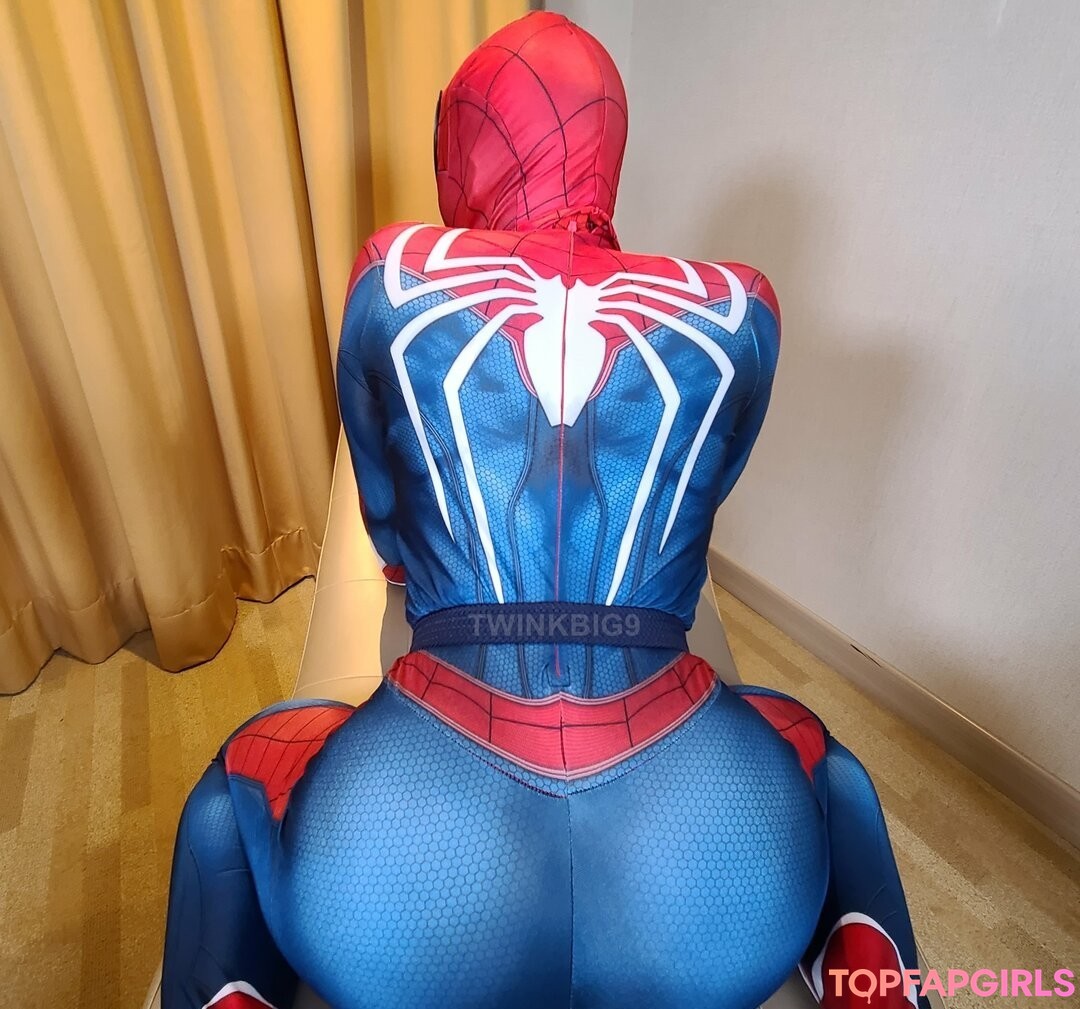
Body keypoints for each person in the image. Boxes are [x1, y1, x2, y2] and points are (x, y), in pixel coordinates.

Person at [161, 13, 929, 1009]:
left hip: (403, 898)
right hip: (713, 897)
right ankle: (883, 987)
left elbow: (388, 521)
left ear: (471, 143)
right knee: (828, 764)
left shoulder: (394, 274)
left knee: (232, 791)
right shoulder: (741, 306)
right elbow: (702, 508)